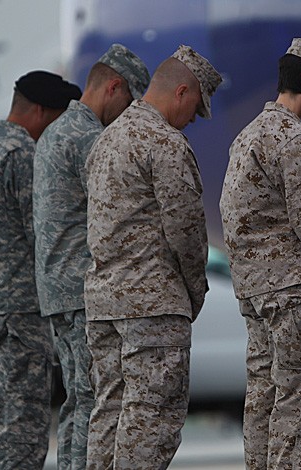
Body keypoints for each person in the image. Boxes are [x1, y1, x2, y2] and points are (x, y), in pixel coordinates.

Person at [84, 44, 221, 469]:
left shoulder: (106, 139)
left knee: (110, 412)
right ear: (181, 91)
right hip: (152, 306)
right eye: (196, 108)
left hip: (104, 303)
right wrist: (194, 291)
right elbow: (186, 231)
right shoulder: (164, 143)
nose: (194, 120)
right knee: (152, 419)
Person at [219, 37, 301, 469]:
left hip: (255, 292)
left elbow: (231, 215)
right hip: (294, 290)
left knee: (264, 398)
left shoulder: (247, 136)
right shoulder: (293, 138)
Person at [33, 43, 149, 470]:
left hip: (57, 289)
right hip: (83, 290)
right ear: (113, 87)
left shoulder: (54, 131)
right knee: (97, 401)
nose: (129, 112)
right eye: (129, 100)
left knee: (79, 400)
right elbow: (117, 209)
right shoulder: (88, 138)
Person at [0, 71, 81, 468]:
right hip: (17, 313)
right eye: (57, 118)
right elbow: (42, 234)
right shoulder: (23, 155)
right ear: (42, 111)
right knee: (22, 426)